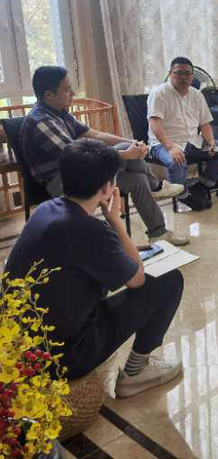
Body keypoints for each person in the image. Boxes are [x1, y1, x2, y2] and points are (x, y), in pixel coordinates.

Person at [4, 139, 184, 396]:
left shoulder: (45, 210)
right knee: (169, 280)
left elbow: (81, 254)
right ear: (108, 186)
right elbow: (137, 279)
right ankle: (136, 372)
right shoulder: (91, 230)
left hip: (21, 346)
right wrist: (115, 221)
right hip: (62, 358)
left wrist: (120, 246)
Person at [21, 66, 188, 246]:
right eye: (67, 89)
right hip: (63, 182)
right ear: (49, 95)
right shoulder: (41, 121)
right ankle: (156, 187)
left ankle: (158, 232)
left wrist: (132, 142)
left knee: (138, 180)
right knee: (125, 152)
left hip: (82, 172)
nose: (73, 93)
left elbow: (95, 134)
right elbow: (75, 158)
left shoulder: (60, 113)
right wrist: (126, 153)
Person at [148, 57, 218, 211]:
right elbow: (155, 123)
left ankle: (202, 185)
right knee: (176, 160)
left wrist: (211, 142)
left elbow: (205, 123)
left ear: (192, 76)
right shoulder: (159, 93)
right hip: (163, 143)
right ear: (170, 74)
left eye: (187, 73)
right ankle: (183, 196)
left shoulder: (197, 95)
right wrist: (170, 147)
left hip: (193, 141)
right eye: (178, 73)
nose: (183, 77)